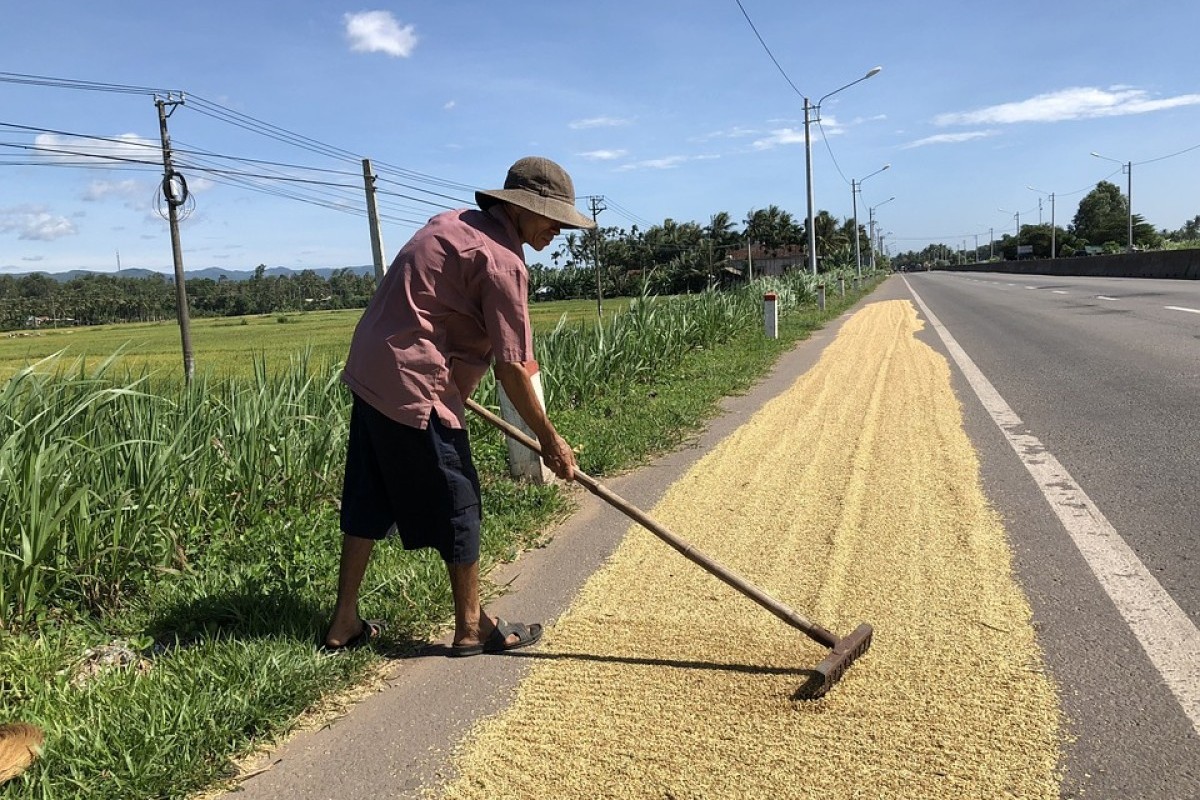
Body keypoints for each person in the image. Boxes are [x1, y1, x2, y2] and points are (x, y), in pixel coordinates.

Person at [322, 156, 593, 656]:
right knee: (460, 500)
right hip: (412, 382)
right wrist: (549, 440)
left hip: (372, 371)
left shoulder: (451, 225)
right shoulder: (504, 262)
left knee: (370, 492)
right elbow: (513, 367)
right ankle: (472, 625)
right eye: (551, 216)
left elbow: (440, 315)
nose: (558, 228)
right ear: (519, 208)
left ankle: (344, 622)